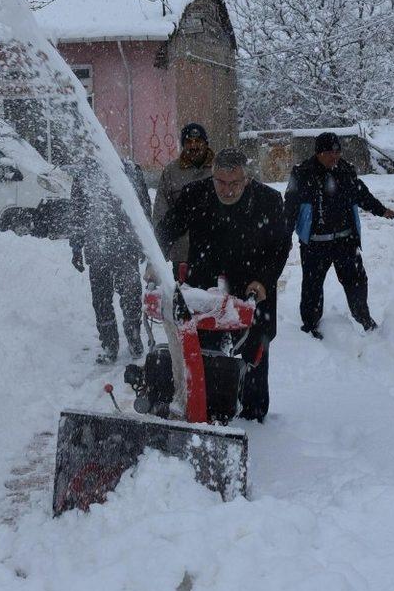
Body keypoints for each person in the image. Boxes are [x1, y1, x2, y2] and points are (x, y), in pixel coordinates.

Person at [155, 148, 291, 422]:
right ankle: (209, 410)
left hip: (253, 287)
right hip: (205, 287)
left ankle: (253, 416)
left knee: (254, 352)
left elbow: (280, 247)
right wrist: (154, 261)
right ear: (213, 175)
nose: (226, 190)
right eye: (220, 182)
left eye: (234, 183)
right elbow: (167, 229)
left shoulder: (269, 200)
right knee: (204, 349)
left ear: (247, 179)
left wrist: (263, 281)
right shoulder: (197, 194)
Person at [284, 132, 394, 340]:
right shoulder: (302, 173)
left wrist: (381, 210)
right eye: (329, 152)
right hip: (315, 244)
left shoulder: (346, 171)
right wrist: (285, 237)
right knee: (312, 286)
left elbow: (361, 194)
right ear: (318, 153)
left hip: (345, 241)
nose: (334, 156)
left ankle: (363, 317)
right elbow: (290, 207)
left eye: (337, 152)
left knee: (356, 281)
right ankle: (310, 325)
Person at [70, 156, 152, 364]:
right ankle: (109, 344)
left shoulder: (131, 169)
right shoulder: (84, 173)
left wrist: (145, 241)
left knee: (132, 295)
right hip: (97, 248)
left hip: (127, 248)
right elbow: (78, 212)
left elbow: (143, 207)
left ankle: (134, 336)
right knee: (101, 300)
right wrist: (76, 247)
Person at [152, 122, 214, 272]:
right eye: (189, 142)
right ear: (183, 145)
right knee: (184, 295)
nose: (194, 146)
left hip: (216, 253)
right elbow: (161, 212)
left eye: (198, 141)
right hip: (182, 256)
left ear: (206, 143)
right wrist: (160, 249)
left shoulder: (218, 169)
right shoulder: (171, 172)